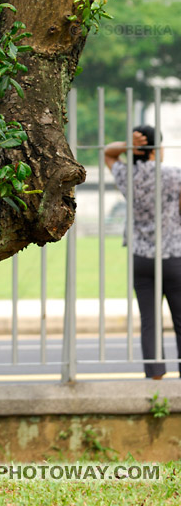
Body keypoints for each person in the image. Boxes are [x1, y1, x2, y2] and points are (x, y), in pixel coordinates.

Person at [105, 126, 181, 379]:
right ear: (157, 150)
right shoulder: (173, 174)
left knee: (150, 321)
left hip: (141, 257)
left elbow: (108, 153)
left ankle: (156, 377)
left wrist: (127, 145)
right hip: (173, 255)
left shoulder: (128, 175)